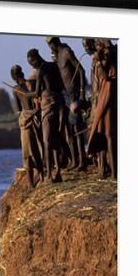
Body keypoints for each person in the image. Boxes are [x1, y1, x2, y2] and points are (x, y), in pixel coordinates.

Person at [46, 36, 87, 171]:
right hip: (65, 96)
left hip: (74, 94)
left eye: (50, 44)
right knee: (69, 130)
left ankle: (82, 162)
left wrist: (81, 94)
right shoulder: (57, 56)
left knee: (77, 129)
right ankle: (75, 161)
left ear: (54, 42)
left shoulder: (66, 52)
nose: (49, 47)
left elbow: (81, 70)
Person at [25, 48, 65, 182]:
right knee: (56, 138)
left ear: (36, 58)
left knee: (47, 141)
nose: (32, 66)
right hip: (59, 102)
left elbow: (36, 93)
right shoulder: (53, 66)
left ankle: (49, 174)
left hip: (48, 105)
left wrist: (27, 94)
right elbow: (61, 85)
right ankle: (57, 170)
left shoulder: (42, 70)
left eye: (32, 63)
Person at [86, 38, 117, 179]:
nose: (95, 48)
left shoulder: (106, 62)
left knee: (109, 136)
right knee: (102, 134)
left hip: (107, 101)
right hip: (101, 101)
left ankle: (114, 172)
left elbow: (106, 78)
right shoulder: (101, 61)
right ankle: (103, 169)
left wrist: (98, 63)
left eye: (98, 45)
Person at [11, 64, 44, 188]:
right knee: (38, 147)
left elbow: (19, 109)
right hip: (34, 118)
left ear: (15, 76)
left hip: (26, 120)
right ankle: (41, 176)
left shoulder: (16, 89)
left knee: (28, 152)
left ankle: (31, 183)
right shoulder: (30, 85)